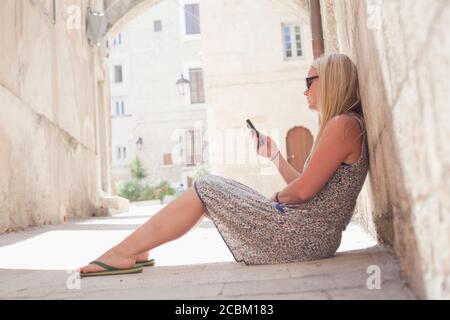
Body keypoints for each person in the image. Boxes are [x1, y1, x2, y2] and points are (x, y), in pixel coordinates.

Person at [79, 53, 369, 277]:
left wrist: (271, 201)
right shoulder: (343, 125)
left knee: (207, 186)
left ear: (331, 81)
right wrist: (275, 157)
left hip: (304, 237)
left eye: (309, 82)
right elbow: (309, 186)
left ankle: (124, 251)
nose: (304, 91)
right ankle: (137, 249)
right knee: (213, 186)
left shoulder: (342, 125)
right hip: (310, 235)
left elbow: (302, 192)